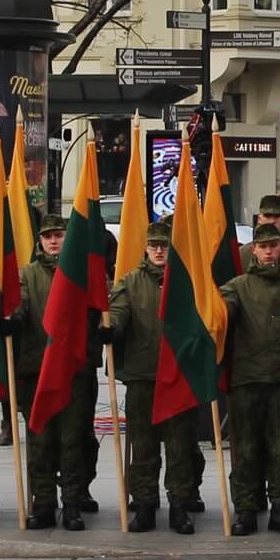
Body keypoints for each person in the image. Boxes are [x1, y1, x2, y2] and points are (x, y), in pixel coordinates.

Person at [107, 222, 199, 535]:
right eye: (154, 246)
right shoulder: (130, 282)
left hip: (179, 376)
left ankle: (179, 505)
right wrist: (111, 327)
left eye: (164, 246)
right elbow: (118, 311)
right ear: (145, 248)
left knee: (179, 446)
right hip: (143, 375)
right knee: (143, 446)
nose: (159, 251)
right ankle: (144, 504)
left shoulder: (187, 280)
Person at [15, 214, 97, 531]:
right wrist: (11, 317)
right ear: (40, 240)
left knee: (72, 440)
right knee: (41, 441)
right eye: (47, 236)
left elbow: (101, 305)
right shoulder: (27, 275)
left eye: (59, 235)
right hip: (37, 371)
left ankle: (72, 503)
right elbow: (19, 303)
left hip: (74, 370)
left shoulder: (83, 272)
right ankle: (44, 503)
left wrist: (101, 320)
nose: (53, 241)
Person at [219, 222, 280, 536]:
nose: (268, 252)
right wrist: (216, 314)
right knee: (246, 448)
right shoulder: (239, 286)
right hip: (247, 380)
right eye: (263, 247)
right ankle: (246, 509)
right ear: (253, 250)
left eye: (273, 246)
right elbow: (223, 311)